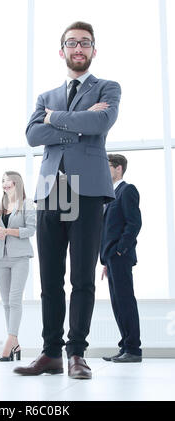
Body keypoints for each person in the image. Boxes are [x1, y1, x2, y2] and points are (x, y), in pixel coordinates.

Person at [14, 21, 121, 379]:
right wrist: (78, 121)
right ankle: (50, 353)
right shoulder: (46, 95)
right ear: (61, 51)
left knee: (82, 278)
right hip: (52, 187)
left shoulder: (107, 87)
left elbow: (101, 123)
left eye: (85, 43)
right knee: (50, 278)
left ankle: (76, 353)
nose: (79, 48)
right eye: (72, 43)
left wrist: (56, 121)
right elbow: (32, 134)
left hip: (87, 188)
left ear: (94, 50)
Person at [100, 154, 142, 362]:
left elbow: (134, 224)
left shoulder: (127, 190)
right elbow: (107, 230)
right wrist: (106, 259)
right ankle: (125, 345)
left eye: (107, 166)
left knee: (125, 301)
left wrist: (119, 251)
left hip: (121, 257)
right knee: (117, 303)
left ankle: (133, 349)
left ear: (118, 169)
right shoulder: (110, 195)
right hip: (111, 259)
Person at [0, 171, 36, 361]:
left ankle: (9, 343)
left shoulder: (27, 204)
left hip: (20, 257)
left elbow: (31, 230)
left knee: (15, 300)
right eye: (2, 180)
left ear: (16, 183)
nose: (5, 183)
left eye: (8, 180)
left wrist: (8, 231)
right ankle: (15, 343)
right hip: (0, 258)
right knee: (6, 303)